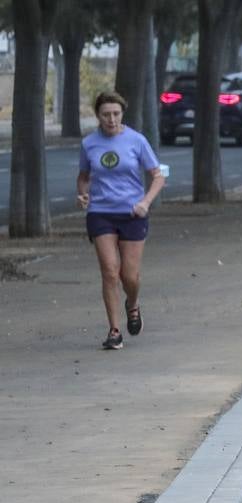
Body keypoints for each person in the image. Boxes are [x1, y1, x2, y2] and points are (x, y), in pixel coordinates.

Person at [76, 91, 165, 350]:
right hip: (100, 213)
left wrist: (145, 203)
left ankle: (133, 303)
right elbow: (83, 176)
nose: (111, 119)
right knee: (109, 271)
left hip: (132, 214)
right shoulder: (89, 143)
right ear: (98, 116)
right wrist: (82, 194)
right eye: (106, 115)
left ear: (122, 113)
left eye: (115, 114)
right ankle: (114, 330)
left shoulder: (136, 141)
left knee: (130, 276)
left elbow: (157, 177)